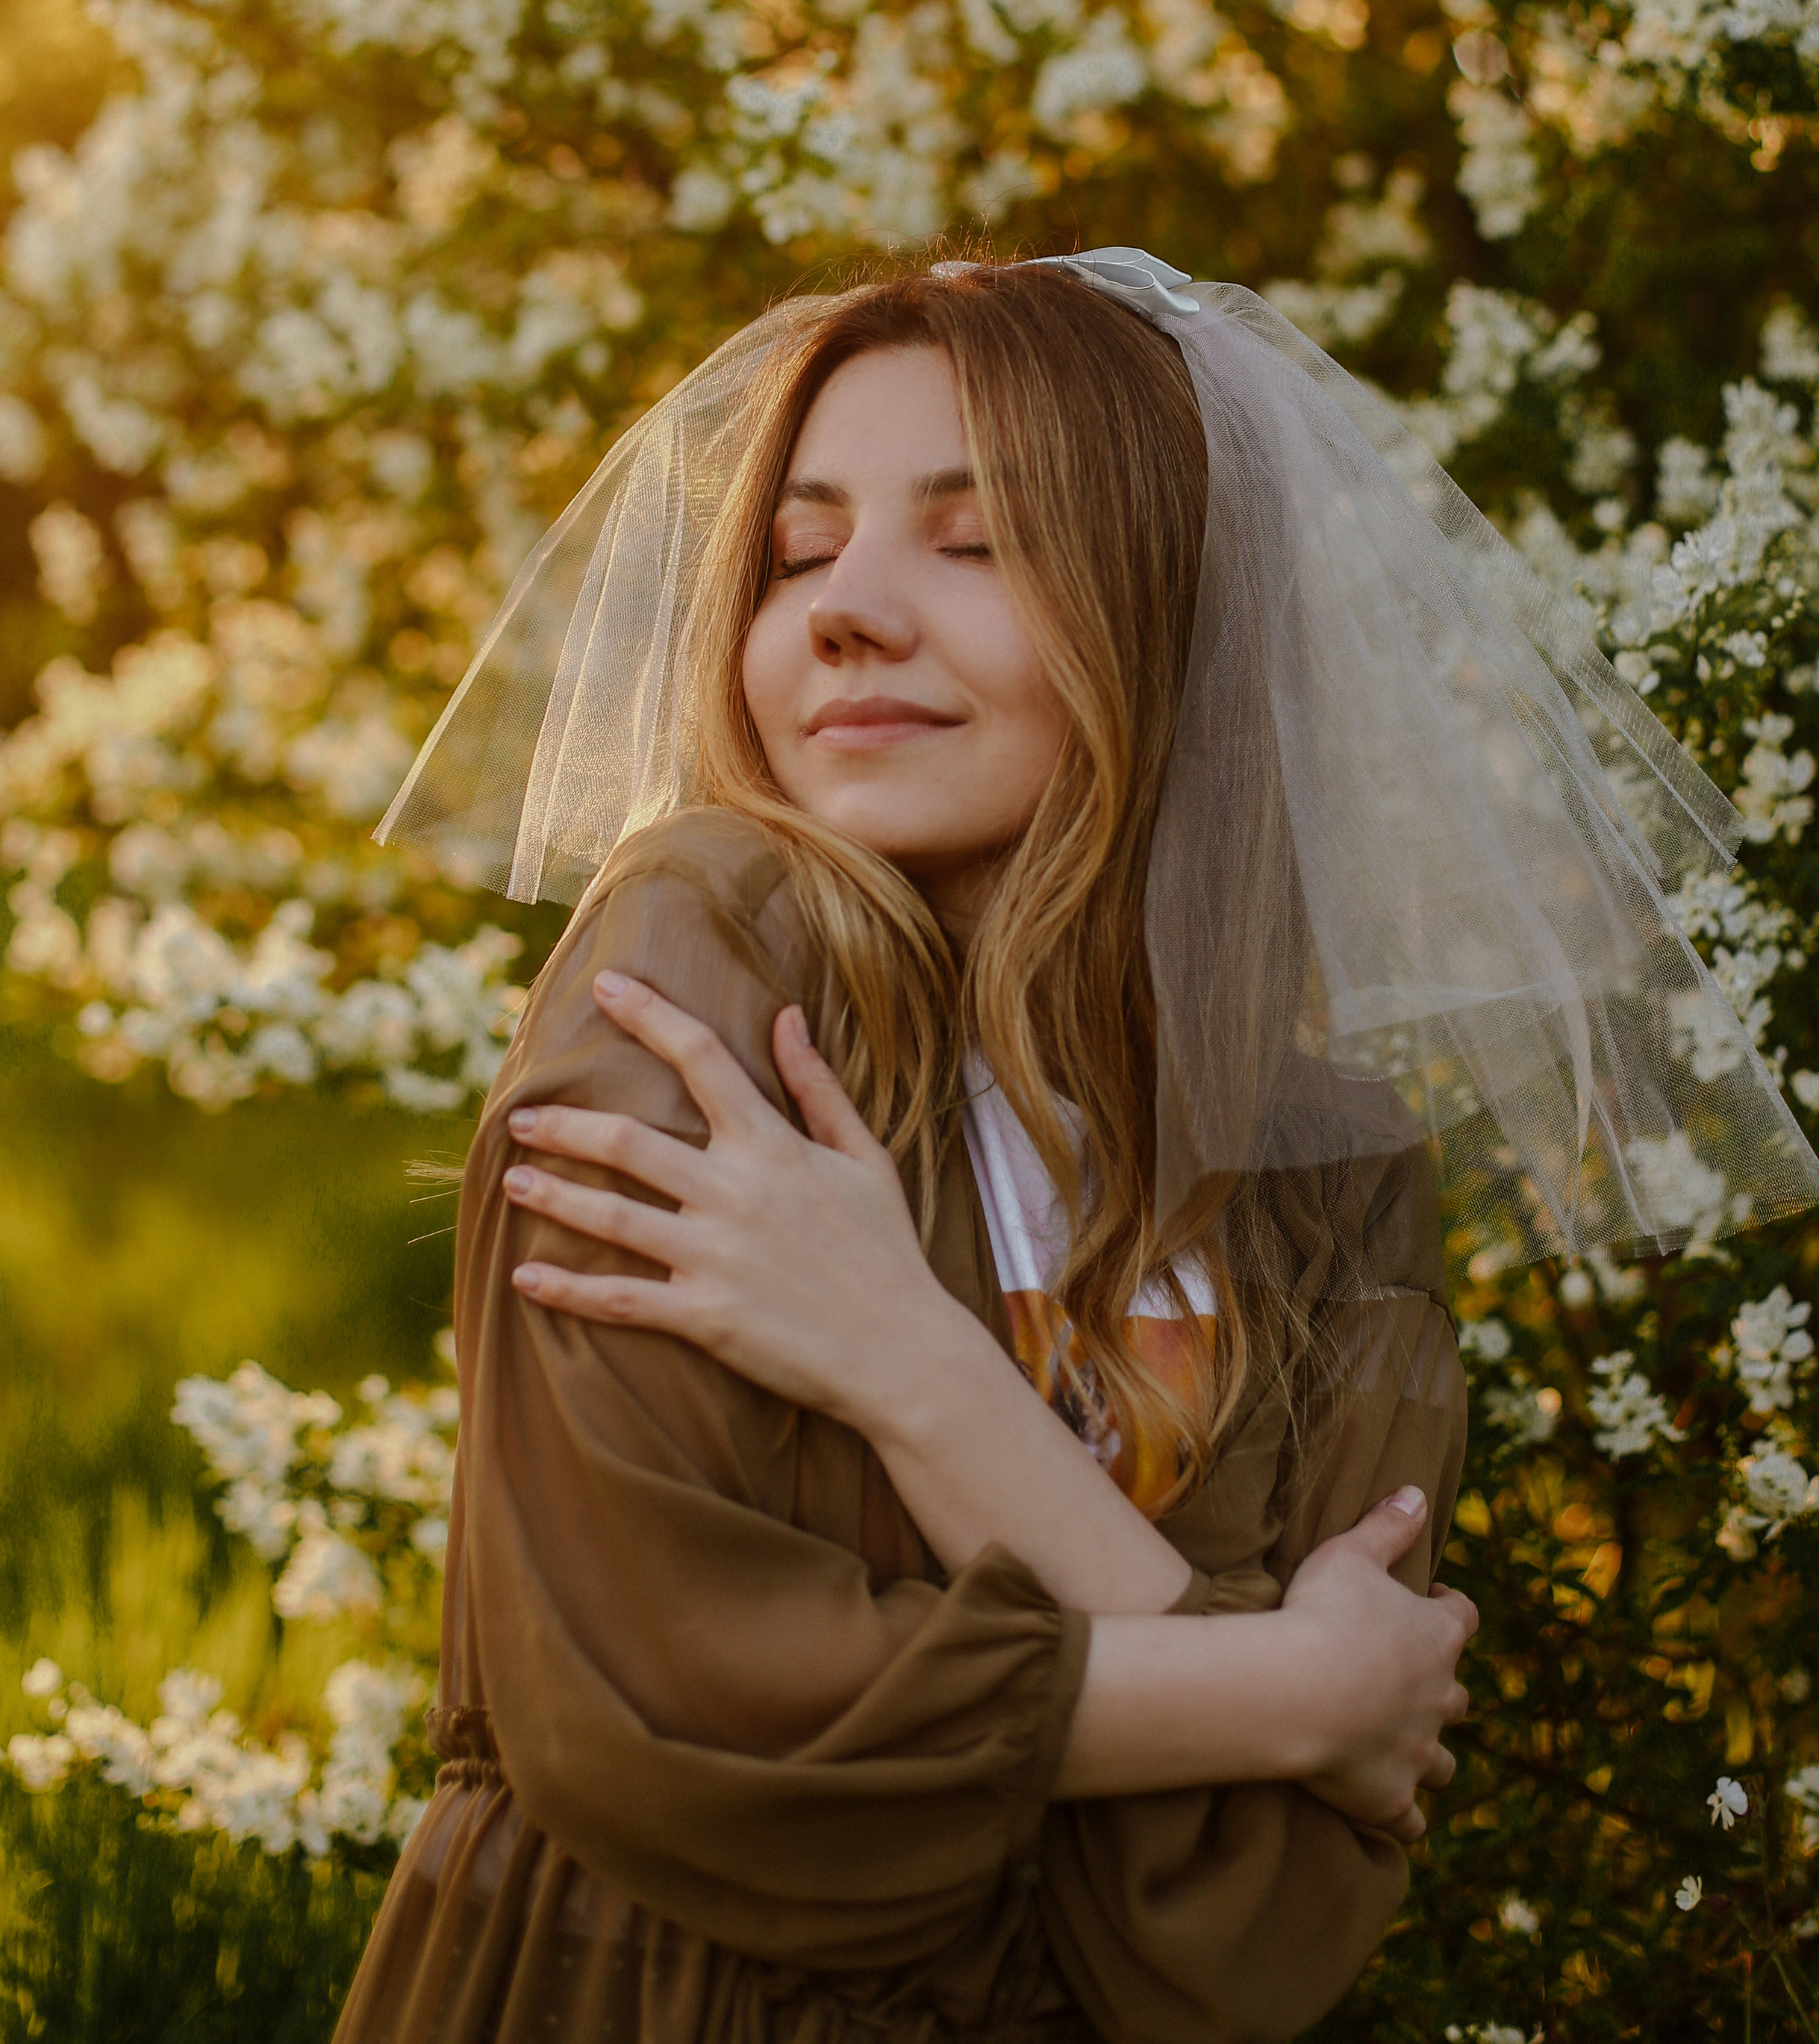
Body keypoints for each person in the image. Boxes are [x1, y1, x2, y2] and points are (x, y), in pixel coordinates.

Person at [337, 251, 1819, 2044]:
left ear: (1167, 617)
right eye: (798, 553)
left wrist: (917, 1373)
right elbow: (655, 1715)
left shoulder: (1320, 1171)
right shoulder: (708, 950)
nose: (845, 612)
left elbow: (1250, 1917)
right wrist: (1292, 1691)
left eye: (974, 544)